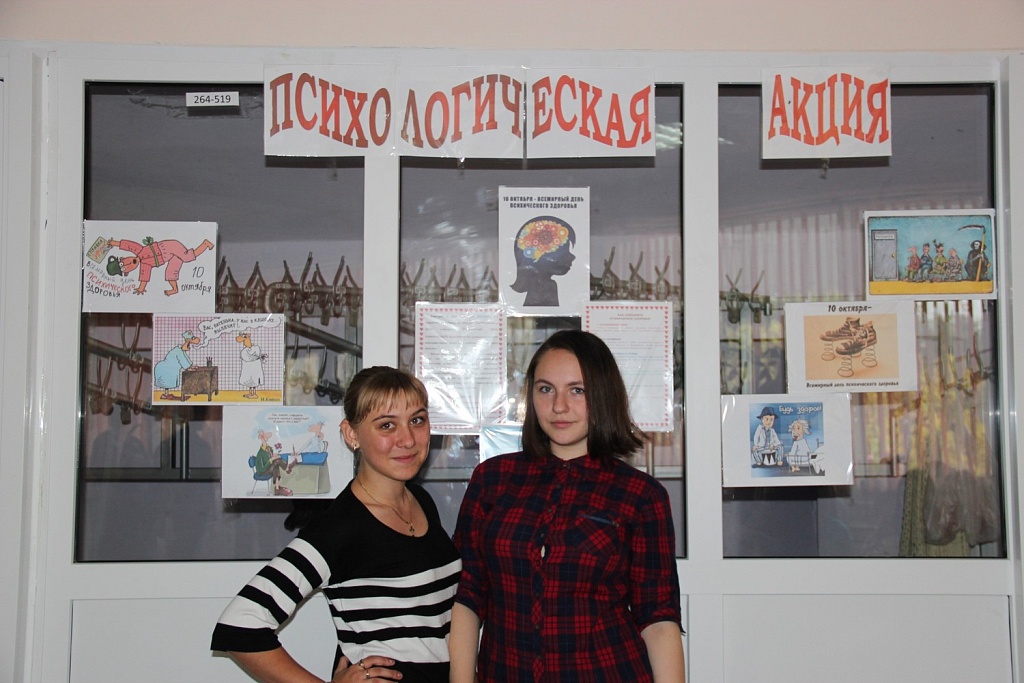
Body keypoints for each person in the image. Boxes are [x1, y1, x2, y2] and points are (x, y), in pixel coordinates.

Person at [449, 330, 685, 683]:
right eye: (546, 389)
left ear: (602, 395)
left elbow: (658, 618)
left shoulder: (640, 495)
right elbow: (468, 595)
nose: (559, 406)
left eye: (578, 390)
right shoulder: (492, 480)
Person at [212, 366, 462, 683]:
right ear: (351, 434)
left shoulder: (421, 501)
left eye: (417, 420)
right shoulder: (340, 526)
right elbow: (240, 625)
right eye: (387, 425)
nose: (408, 439)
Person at [106, 236, 214, 296]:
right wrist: (141, 289)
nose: (128, 264)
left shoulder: (138, 250)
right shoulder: (145, 265)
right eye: (124, 268)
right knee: (170, 272)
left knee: (187, 257)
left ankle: (205, 244)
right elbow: (144, 278)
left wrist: (113, 243)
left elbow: (128, 245)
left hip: (168, 247)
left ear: (123, 258)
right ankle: (174, 289)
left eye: (123, 263)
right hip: (170, 257)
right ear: (127, 272)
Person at [508, 216, 577, 307]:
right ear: (541, 255)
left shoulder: (548, 285)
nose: (572, 257)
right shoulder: (544, 286)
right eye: (564, 252)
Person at [152, 330, 196, 400]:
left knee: (168, 381)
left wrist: (191, 366)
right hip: (165, 368)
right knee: (166, 381)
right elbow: (182, 360)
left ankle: (166, 394)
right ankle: (165, 395)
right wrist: (188, 368)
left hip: (169, 368)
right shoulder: (178, 351)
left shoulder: (181, 350)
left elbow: (186, 358)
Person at [236, 329, 265, 399]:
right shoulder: (247, 350)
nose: (244, 343)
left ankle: (253, 394)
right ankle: (251, 393)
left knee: (253, 381)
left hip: (253, 368)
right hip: (250, 368)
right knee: (250, 381)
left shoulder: (254, 349)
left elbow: (248, 357)